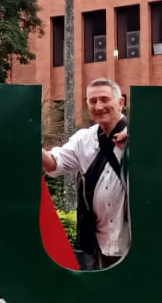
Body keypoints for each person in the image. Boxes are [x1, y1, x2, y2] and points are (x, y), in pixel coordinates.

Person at [42, 78, 129, 272]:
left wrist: (139, 134)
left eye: (105, 99)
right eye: (92, 101)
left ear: (120, 102)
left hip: (137, 240)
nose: (99, 106)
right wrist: (25, 135)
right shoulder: (84, 140)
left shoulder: (140, 133)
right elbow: (52, 164)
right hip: (101, 240)